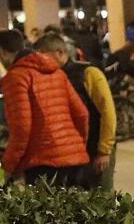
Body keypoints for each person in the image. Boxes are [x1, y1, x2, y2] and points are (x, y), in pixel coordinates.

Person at [0, 27, 91, 186]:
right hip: (75, 160)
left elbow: (21, 129)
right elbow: (82, 114)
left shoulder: (16, 77)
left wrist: (5, 170)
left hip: (43, 164)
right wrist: (75, 146)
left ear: (2, 52)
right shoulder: (56, 72)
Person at [38, 30, 118, 189]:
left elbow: (108, 112)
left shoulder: (89, 73)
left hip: (95, 147)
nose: (39, 61)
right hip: (72, 153)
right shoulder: (51, 77)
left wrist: (104, 150)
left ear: (60, 52)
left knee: (101, 200)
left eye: (43, 56)